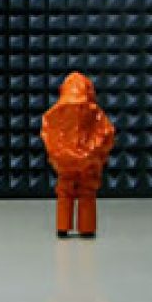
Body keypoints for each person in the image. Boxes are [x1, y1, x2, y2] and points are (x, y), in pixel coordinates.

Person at [41, 72, 115, 239]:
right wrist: (95, 154)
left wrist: (57, 156)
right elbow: (106, 134)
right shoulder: (94, 112)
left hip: (64, 161)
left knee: (64, 193)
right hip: (88, 162)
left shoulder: (54, 113)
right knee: (87, 193)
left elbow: (48, 135)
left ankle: (62, 228)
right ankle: (87, 229)